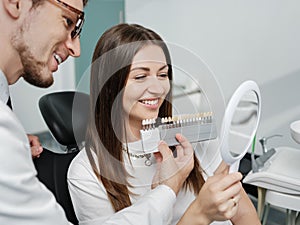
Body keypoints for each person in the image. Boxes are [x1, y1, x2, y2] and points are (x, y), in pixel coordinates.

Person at [0, 1, 201, 225]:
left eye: (163, 75)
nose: (76, 50)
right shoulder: (85, 172)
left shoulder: (186, 146)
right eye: (67, 20)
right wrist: (185, 203)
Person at [67, 23, 261, 225]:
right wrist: (200, 213)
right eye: (140, 77)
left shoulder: (195, 137)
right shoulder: (85, 173)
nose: (158, 88)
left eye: (163, 74)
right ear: (109, 85)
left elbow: (243, 213)